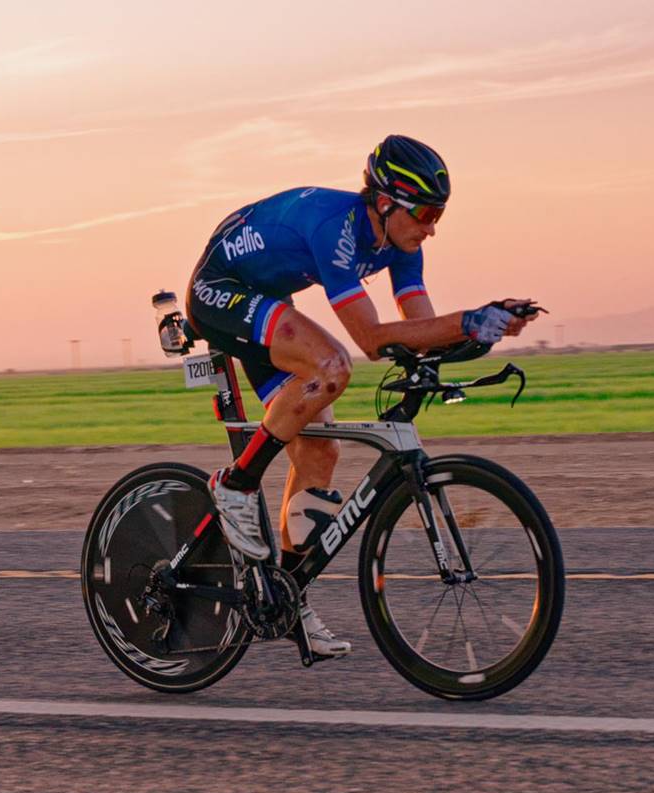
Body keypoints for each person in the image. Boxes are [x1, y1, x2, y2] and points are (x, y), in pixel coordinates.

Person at [184, 134, 538, 658]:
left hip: (264, 297)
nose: (432, 227)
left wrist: (483, 331)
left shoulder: (401, 246)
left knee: (320, 446)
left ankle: (287, 597)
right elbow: (372, 340)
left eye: (440, 213)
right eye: (425, 212)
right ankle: (235, 485)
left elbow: (421, 328)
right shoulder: (339, 229)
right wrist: (466, 320)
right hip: (219, 289)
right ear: (386, 201)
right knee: (331, 365)